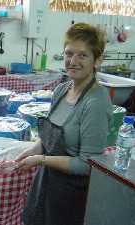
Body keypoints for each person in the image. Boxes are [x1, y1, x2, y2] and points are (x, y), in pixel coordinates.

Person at [16, 23, 113, 225]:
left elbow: (87, 164)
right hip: (46, 185)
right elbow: (49, 140)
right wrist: (31, 152)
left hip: (70, 196)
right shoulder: (61, 90)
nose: (73, 61)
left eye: (83, 55)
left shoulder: (96, 102)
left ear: (97, 60)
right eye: (69, 53)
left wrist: (41, 160)